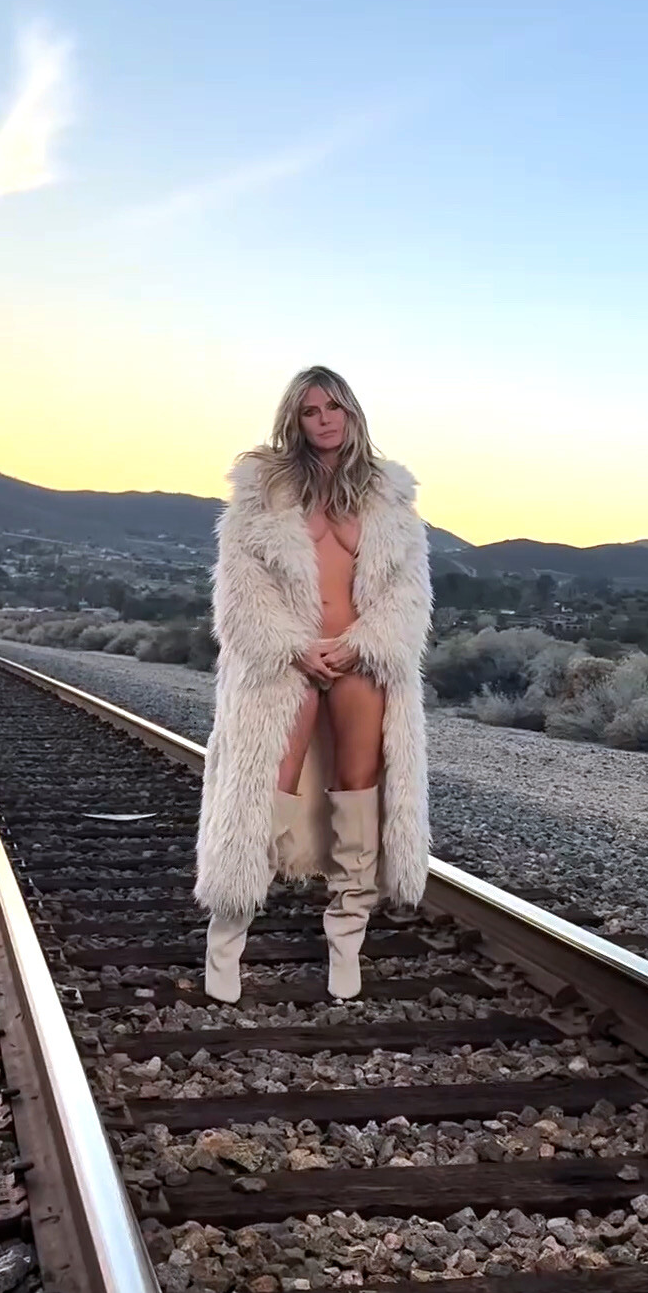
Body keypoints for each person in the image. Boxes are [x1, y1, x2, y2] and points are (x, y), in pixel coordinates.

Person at [195, 365, 432, 1001]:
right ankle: (227, 937)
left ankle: (347, 939)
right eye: (310, 410)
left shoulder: (387, 498)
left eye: (334, 407)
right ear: (294, 421)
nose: (324, 420)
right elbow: (239, 592)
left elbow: (408, 595)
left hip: (360, 660)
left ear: (351, 413)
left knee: (359, 792)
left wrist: (360, 644)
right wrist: (295, 647)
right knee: (262, 789)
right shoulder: (263, 491)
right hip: (285, 664)